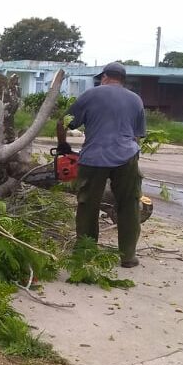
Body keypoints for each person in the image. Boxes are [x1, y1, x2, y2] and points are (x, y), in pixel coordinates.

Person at [56, 62, 146, 268]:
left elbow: (63, 122)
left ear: (105, 77)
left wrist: (63, 146)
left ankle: (86, 254)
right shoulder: (136, 100)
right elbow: (137, 136)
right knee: (129, 205)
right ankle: (128, 256)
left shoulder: (90, 95)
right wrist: (133, 159)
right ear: (123, 80)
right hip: (127, 156)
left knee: (88, 204)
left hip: (94, 157)